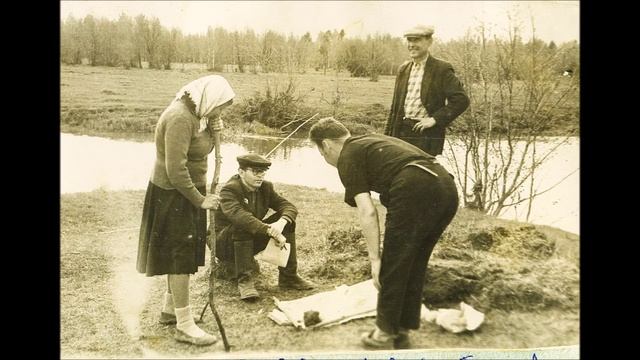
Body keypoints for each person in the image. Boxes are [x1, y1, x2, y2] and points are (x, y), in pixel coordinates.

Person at [309, 118, 459, 350]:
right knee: (414, 261)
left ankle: (384, 334)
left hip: (415, 185)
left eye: (321, 154)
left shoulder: (348, 156)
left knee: (393, 263)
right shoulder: (368, 141)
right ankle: (401, 329)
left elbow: (368, 212)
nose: (325, 159)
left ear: (326, 145)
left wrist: (375, 260)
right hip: (446, 187)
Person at [136, 75, 235, 346]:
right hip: (173, 195)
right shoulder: (180, 118)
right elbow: (175, 170)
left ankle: (171, 311)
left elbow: (199, 148)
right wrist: (200, 199)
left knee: (181, 254)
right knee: (179, 257)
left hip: (184, 194)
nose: (219, 112)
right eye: (219, 107)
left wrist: (215, 130)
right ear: (209, 99)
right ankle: (185, 325)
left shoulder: (196, 114)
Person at [213, 153, 315, 301]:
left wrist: (281, 223)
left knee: (288, 221)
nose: (260, 176)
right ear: (241, 172)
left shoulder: (265, 187)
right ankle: (245, 282)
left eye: (263, 172)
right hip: (223, 243)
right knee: (243, 225)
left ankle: (289, 277)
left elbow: (288, 206)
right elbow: (240, 217)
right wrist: (270, 230)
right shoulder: (229, 190)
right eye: (255, 172)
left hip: (248, 238)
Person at [385, 24, 470, 157]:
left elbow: (461, 100)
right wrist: (387, 139)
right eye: (409, 40)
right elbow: (394, 108)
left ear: (429, 42)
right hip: (400, 133)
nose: (411, 44)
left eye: (417, 40)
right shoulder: (403, 69)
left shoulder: (441, 69)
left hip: (425, 135)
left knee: (420, 175)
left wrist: (435, 119)